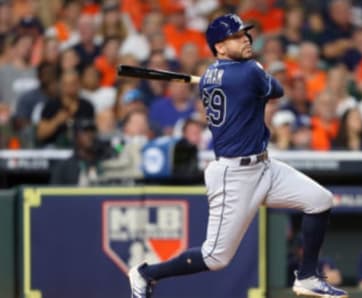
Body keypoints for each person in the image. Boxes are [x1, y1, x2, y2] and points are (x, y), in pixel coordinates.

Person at [128, 14, 348, 298]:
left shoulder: (211, 76)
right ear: (219, 47)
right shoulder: (247, 71)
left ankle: (307, 277)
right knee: (215, 258)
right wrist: (256, 73)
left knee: (319, 200)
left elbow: (247, 90)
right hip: (235, 175)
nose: (245, 39)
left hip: (265, 166)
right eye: (236, 36)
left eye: (245, 34)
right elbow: (278, 91)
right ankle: (146, 274)